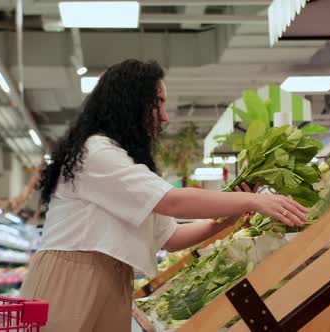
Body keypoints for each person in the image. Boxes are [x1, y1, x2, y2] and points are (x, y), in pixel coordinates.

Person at [19, 59, 308, 331]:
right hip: (71, 277)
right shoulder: (96, 152)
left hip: (111, 278)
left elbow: (171, 238)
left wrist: (226, 220)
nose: (166, 116)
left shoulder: (120, 159)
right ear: (131, 103)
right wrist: (253, 200)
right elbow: (173, 202)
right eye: (159, 102)